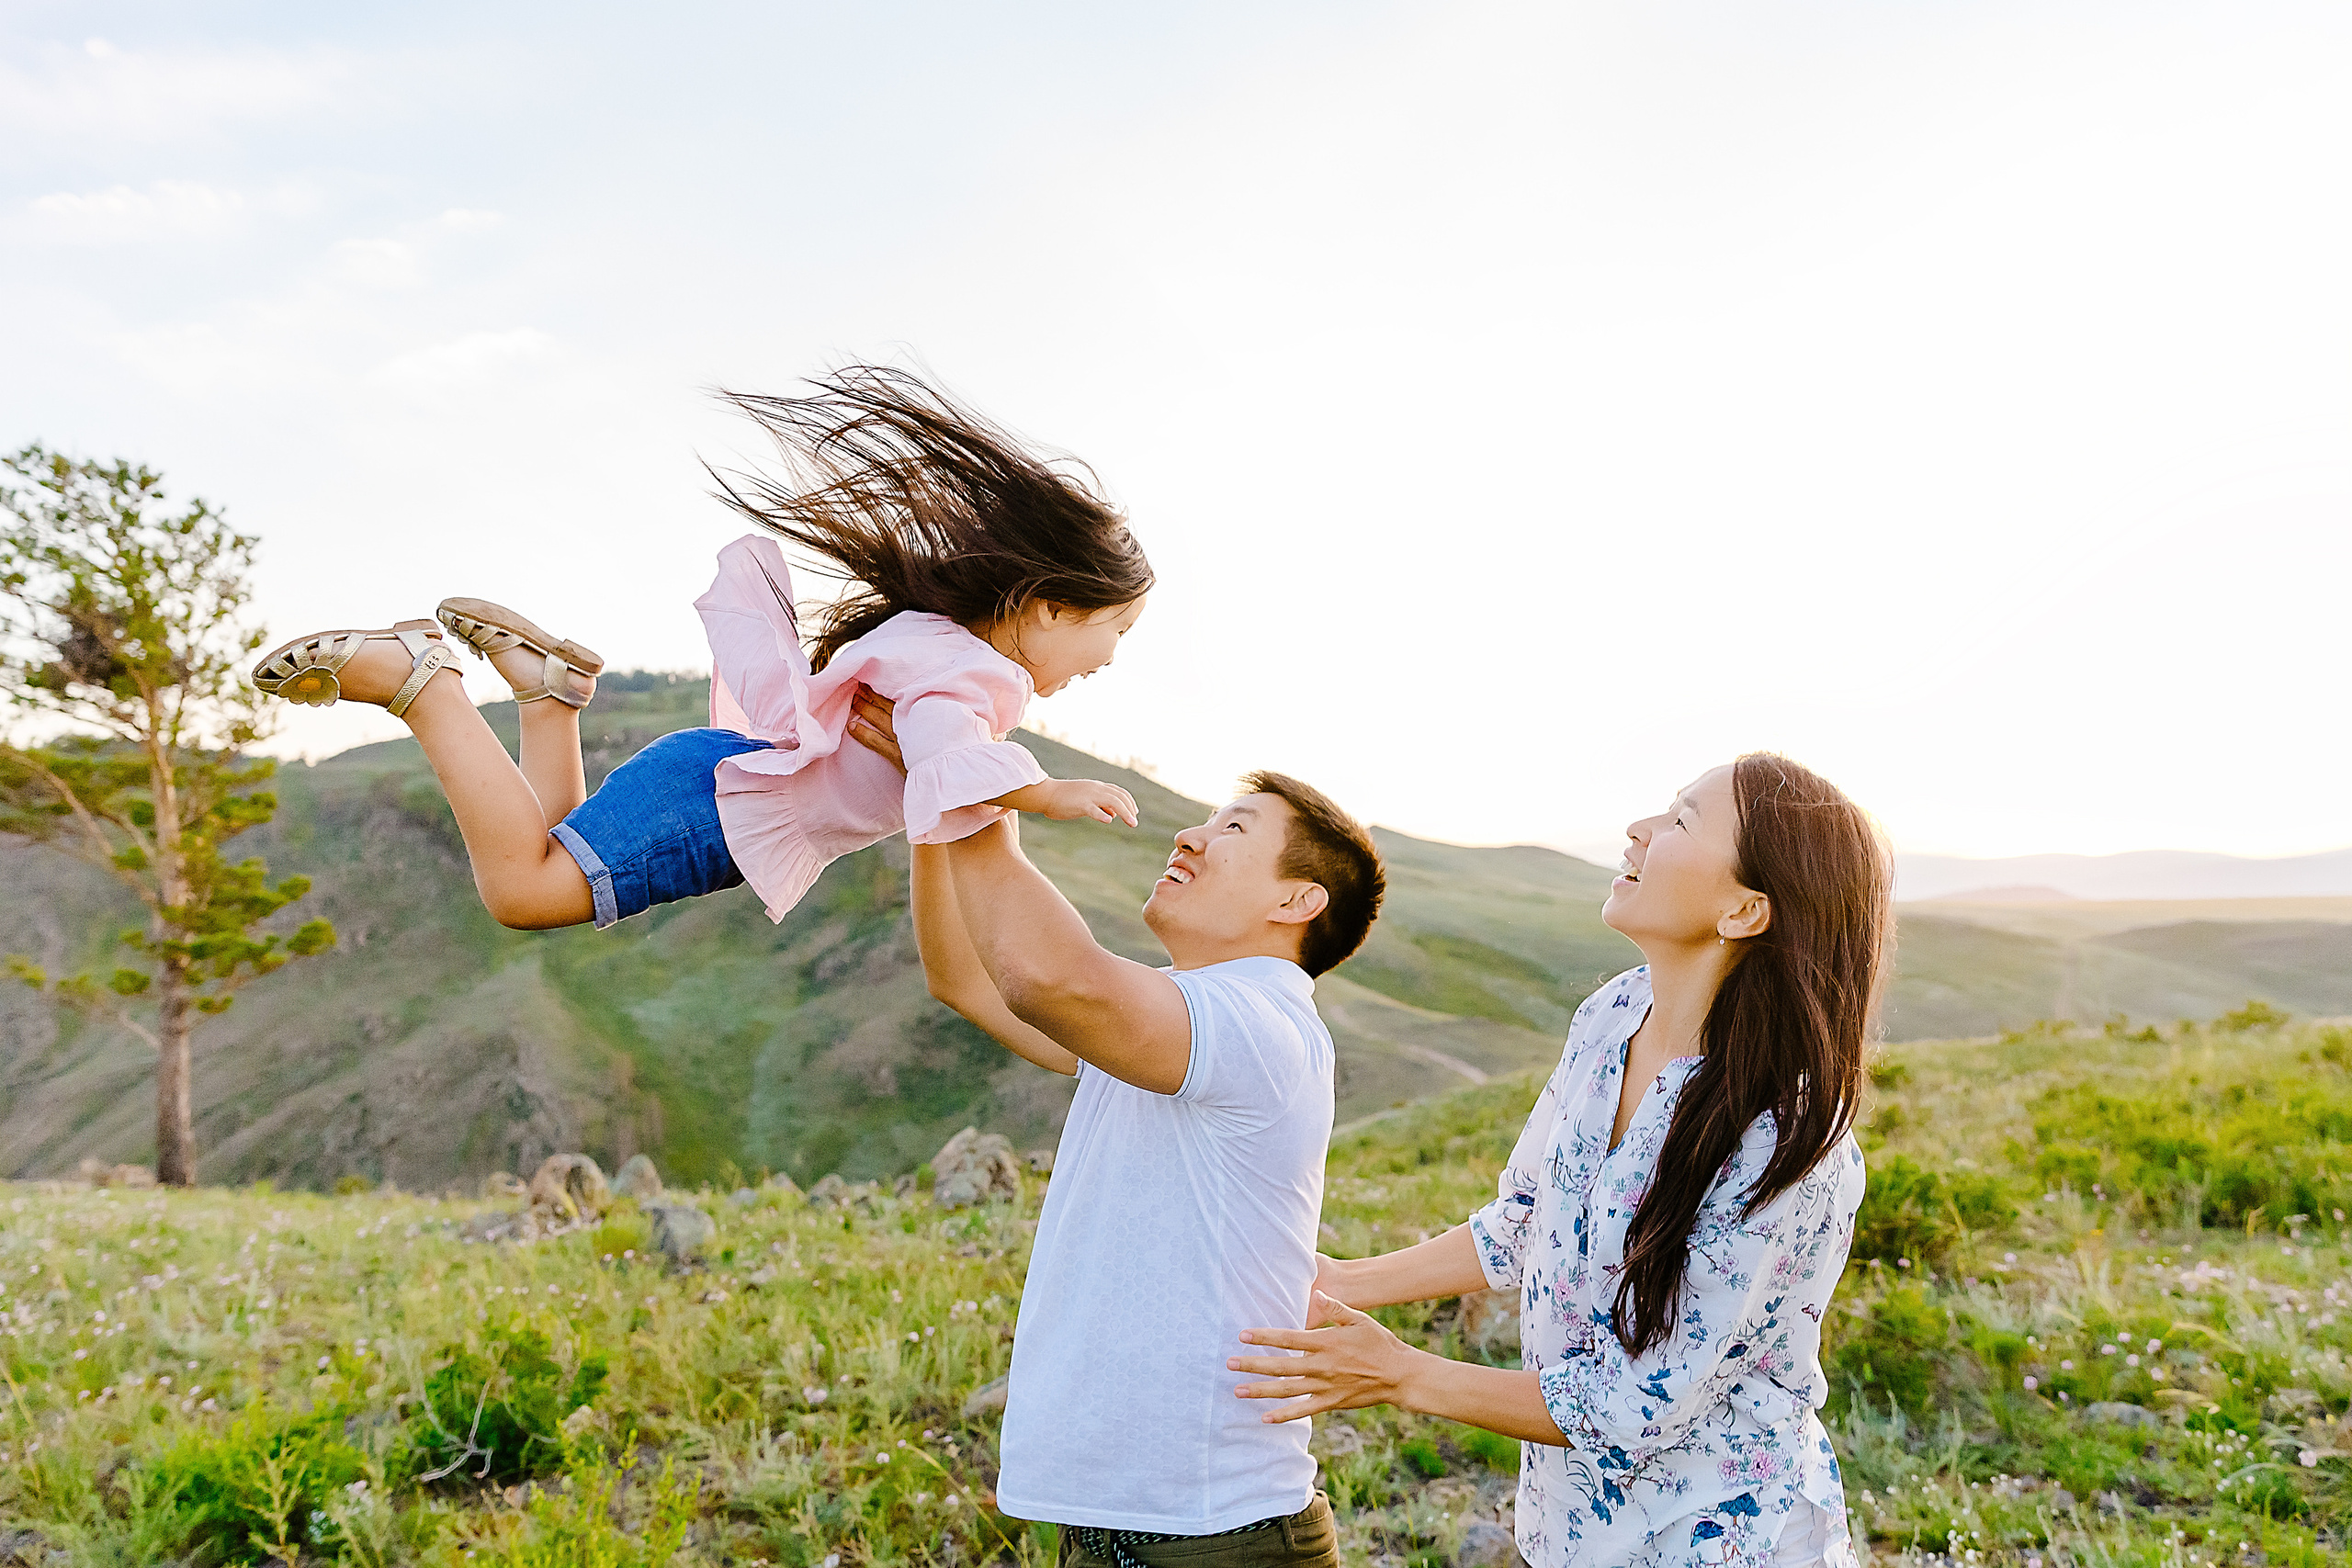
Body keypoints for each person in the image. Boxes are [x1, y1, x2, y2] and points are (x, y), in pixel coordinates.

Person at [1227, 754, 1888, 1568]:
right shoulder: (1614, 1012)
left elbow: (1632, 1402)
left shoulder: (1785, 1137)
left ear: (1746, 909)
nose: (1638, 830)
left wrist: (1397, 1372)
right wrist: (1339, 1280)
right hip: (1570, 1529)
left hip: (1719, 1539)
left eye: (1681, 821)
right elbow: (1527, 1219)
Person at [247, 367, 1151, 931]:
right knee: (524, 893)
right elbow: (947, 760)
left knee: (548, 851)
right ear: (1045, 605)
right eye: (1115, 630)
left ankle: (548, 698)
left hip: (715, 780)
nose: (1111, 659)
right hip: (724, 814)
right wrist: (1044, 790)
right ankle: (424, 685)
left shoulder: (938, 642)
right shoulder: (979, 679)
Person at [846, 688, 1385, 1568]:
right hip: (1121, 1525)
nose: (1190, 837)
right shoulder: (1179, 1022)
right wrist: (937, 805)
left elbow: (1046, 977)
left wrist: (965, 775)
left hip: (1218, 1534)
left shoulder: (1264, 1026)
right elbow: (967, 980)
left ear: (1298, 900)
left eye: (1234, 830)